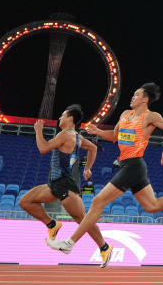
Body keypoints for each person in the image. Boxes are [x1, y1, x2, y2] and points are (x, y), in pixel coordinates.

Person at [46, 83, 163, 254]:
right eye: (133, 94)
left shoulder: (150, 116)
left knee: (97, 202)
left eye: (137, 95)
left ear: (145, 99)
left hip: (134, 165)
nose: (133, 97)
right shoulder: (125, 114)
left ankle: (69, 243)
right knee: (152, 205)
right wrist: (98, 132)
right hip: (130, 166)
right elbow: (115, 136)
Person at [17, 105, 112, 266]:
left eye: (62, 115)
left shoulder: (66, 134)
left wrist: (38, 131)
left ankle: (105, 247)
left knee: (82, 220)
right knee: (25, 201)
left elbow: (43, 148)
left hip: (65, 185)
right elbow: (93, 148)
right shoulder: (77, 137)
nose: (59, 118)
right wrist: (87, 168)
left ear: (70, 118)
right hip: (55, 184)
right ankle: (52, 224)